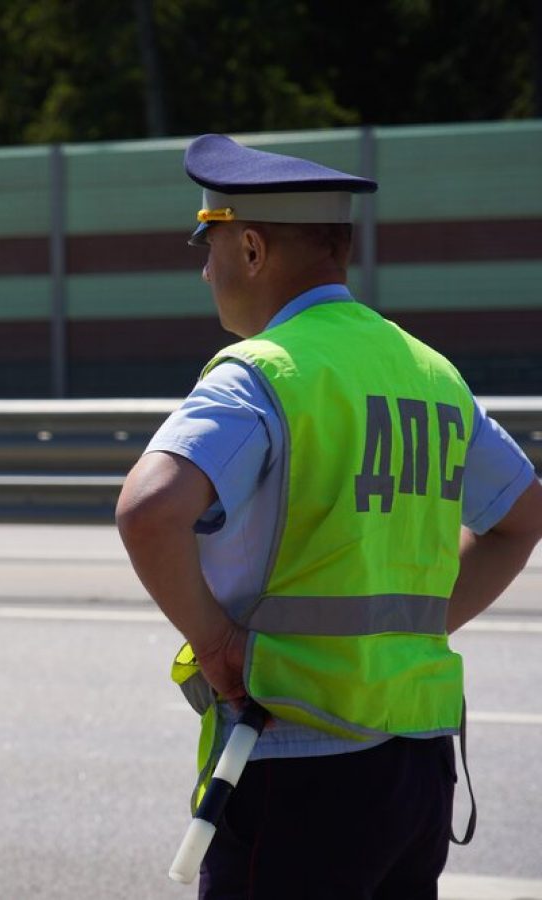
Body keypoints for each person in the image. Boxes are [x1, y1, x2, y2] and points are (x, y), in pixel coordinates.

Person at [115, 133, 542, 899]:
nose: (203, 268)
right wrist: (417, 626)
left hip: (291, 758)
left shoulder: (265, 373)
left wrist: (213, 642)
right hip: (417, 767)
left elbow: (148, 511)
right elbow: (522, 517)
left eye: (205, 243)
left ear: (250, 248)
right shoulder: (429, 372)